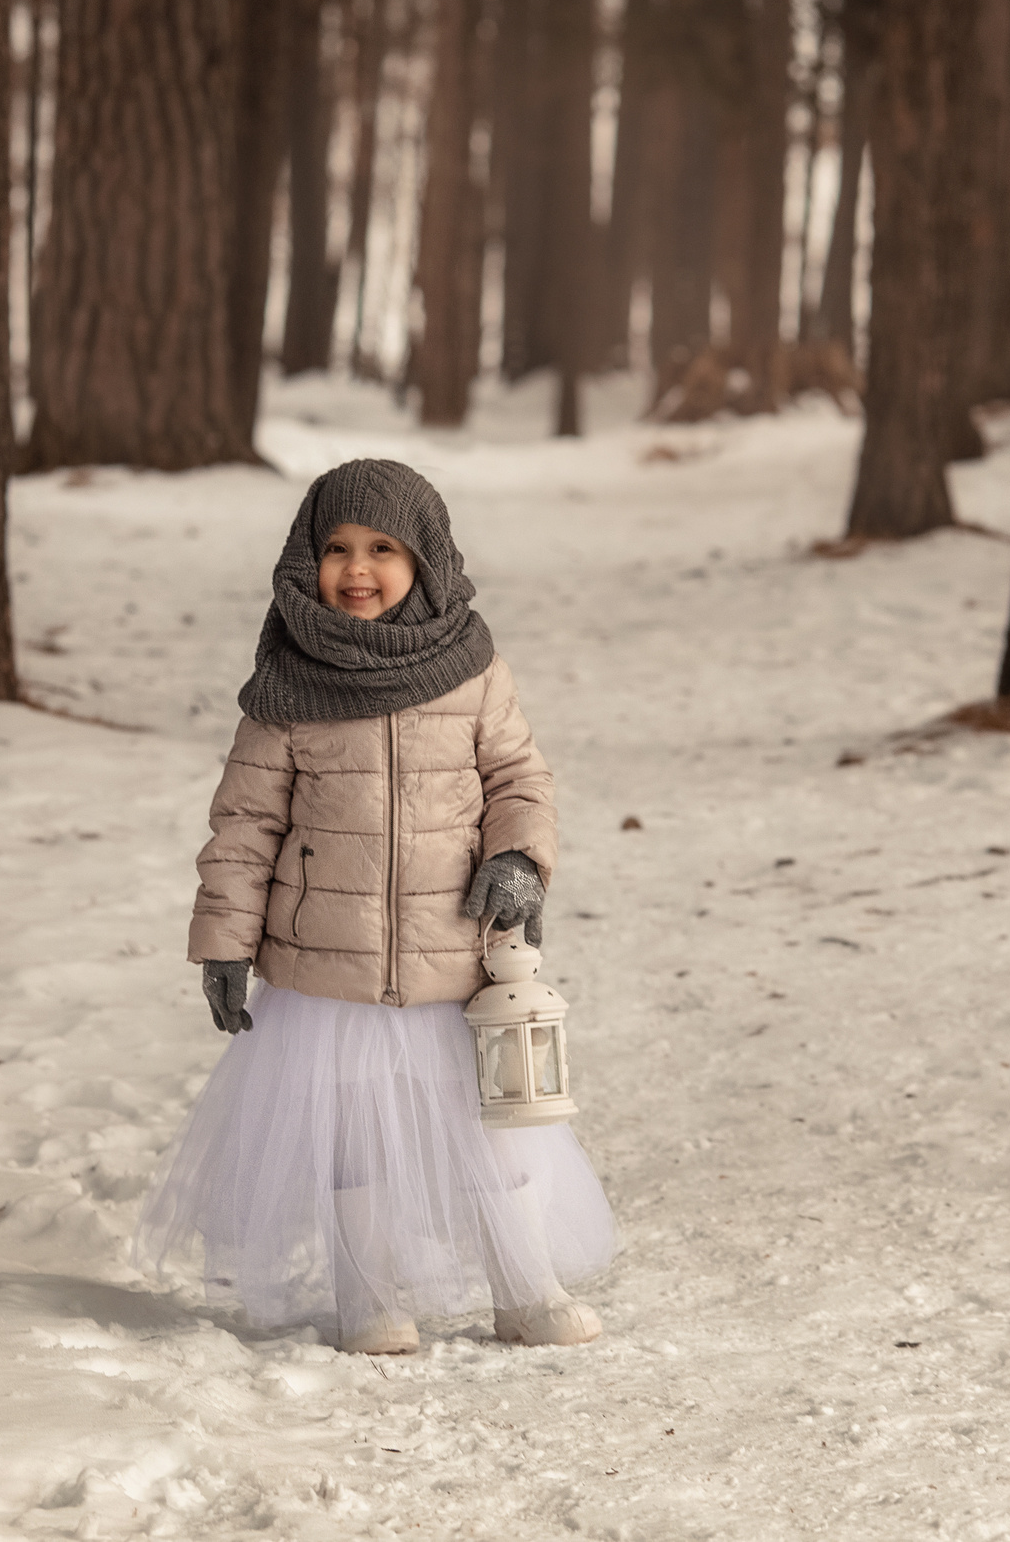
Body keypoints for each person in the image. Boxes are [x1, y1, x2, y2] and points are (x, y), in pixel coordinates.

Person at [133, 459, 616, 1354]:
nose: (359, 569)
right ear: (304, 561)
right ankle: (368, 1298)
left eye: (383, 549)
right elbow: (243, 824)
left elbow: (519, 777)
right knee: (354, 1135)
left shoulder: (471, 668)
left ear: (424, 561)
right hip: (329, 968)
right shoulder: (286, 686)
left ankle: (524, 1285)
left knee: (496, 1130)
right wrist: (224, 944)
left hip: (454, 956)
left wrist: (519, 856)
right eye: (338, 549)